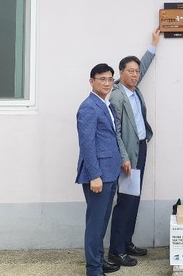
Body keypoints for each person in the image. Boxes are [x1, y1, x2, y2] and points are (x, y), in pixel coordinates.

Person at [107, 28, 160, 267]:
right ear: (121, 73)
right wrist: (124, 157)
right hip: (128, 153)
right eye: (131, 71)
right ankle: (116, 251)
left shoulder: (134, 89)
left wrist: (153, 44)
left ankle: (127, 242)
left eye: (137, 71)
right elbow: (115, 131)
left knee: (134, 199)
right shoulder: (117, 96)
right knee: (126, 201)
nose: (136, 74)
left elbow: (144, 66)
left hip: (140, 148)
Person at [75, 63, 122, 276]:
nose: (107, 83)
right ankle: (93, 269)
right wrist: (94, 175)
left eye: (110, 79)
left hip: (110, 172)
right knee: (95, 224)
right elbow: (87, 144)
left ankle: (99, 261)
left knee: (102, 221)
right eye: (102, 79)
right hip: (98, 175)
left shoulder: (105, 104)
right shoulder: (88, 107)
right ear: (91, 81)